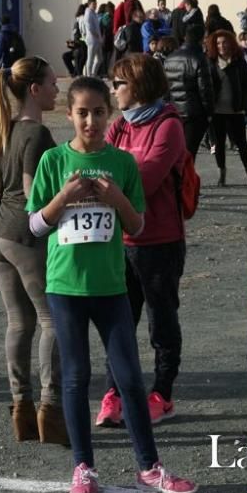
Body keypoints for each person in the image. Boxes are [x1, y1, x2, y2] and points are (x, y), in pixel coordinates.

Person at [25, 76, 198, 493]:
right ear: (69, 115)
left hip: (111, 288)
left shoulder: (121, 163)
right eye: (82, 113)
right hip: (65, 287)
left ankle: (149, 467)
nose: (90, 121)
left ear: (109, 115)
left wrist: (117, 197)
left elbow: (137, 224)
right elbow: (34, 225)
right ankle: (83, 468)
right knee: (76, 376)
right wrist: (62, 198)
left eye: (98, 112)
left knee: (129, 378)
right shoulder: (53, 160)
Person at [96, 54, 187, 428]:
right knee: (118, 321)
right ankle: (114, 393)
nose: (113, 89)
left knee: (160, 321)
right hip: (121, 239)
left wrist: (111, 180)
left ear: (138, 86)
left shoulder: (168, 126)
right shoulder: (120, 126)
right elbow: (98, 163)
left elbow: (144, 181)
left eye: (119, 83)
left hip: (160, 241)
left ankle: (162, 395)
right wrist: (111, 178)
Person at [0, 55, 66, 444]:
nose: (57, 89)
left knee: (19, 323)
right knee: (53, 321)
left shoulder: (7, 128)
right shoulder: (36, 134)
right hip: (24, 237)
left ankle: (21, 407)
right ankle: (50, 411)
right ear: (34, 89)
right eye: (52, 83)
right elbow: (35, 192)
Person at [207, 30, 247, 187]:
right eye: (218, 43)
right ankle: (221, 176)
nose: (221, 46)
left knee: (242, 143)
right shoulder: (210, 61)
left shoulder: (238, 61)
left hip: (236, 110)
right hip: (217, 111)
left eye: (224, 42)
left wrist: (243, 103)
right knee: (219, 144)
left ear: (230, 43)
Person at [164, 24, 214, 158]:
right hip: (194, 112)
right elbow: (205, 89)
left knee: (177, 152)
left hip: (175, 111)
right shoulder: (199, 58)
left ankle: (179, 177)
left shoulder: (170, 58)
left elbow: (166, 88)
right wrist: (210, 112)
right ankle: (184, 178)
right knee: (189, 154)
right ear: (202, 38)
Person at [80, 0, 103, 76]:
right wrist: (95, 34)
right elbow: (89, 26)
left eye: (96, 4)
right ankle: (89, 75)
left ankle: (93, 73)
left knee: (100, 59)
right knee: (91, 58)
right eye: (94, 4)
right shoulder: (88, 13)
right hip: (92, 39)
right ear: (89, 4)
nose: (95, 6)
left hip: (97, 39)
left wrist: (100, 37)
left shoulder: (94, 13)